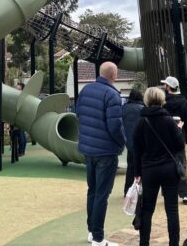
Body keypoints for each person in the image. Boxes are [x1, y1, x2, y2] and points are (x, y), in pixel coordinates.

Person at [76, 61, 125, 246]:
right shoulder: (112, 94)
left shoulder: (86, 90)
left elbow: (79, 113)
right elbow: (115, 126)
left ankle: (91, 231)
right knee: (102, 195)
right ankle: (98, 237)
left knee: (93, 191)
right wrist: (122, 143)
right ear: (113, 75)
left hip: (88, 149)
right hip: (106, 151)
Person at [133, 87, 186, 246]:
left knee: (147, 210)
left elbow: (136, 150)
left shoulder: (141, 121)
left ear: (147, 100)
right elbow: (180, 144)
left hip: (149, 169)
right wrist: (179, 130)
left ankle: (144, 243)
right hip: (169, 168)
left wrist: (137, 173)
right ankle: (174, 243)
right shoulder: (169, 120)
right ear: (162, 100)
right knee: (172, 210)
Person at [161, 75, 187, 205]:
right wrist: (185, 132)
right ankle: (184, 194)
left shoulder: (163, 101)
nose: (164, 86)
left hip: (165, 137)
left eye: (165, 85)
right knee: (181, 162)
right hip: (179, 135)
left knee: (165, 162)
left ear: (168, 87)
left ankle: (167, 191)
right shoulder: (183, 101)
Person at [122, 88, 144, 195]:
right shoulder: (142, 109)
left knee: (130, 166)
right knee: (142, 166)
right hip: (141, 143)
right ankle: (141, 189)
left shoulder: (123, 108)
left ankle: (127, 189)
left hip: (129, 142)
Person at [11, 82, 27, 156]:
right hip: (19, 119)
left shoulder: (20, 97)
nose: (16, 89)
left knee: (20, 134)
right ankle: (21, 150)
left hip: (18, 118)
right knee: (21, 134)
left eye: (18, 88)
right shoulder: (21, 96)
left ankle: (20, 151)